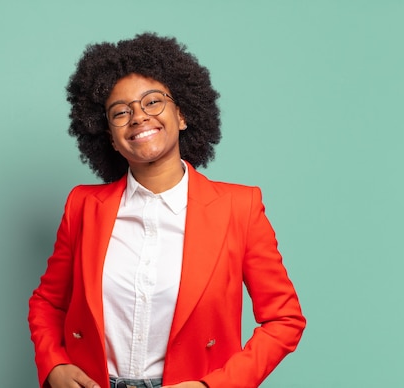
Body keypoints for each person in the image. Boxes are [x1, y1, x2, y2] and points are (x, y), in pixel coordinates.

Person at [28, 33, 306, 388]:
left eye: (153, 102)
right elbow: (46, 303)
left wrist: (213, 387)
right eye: (120, 111)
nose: (138, 117)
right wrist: (54, 365)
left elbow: (285, 320)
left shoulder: (240, 208)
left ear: (182, 114)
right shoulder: (82, 206)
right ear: (110, 138)